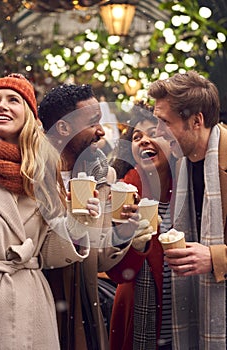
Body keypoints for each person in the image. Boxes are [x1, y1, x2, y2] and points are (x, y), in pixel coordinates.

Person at [0, 73, 100, 349]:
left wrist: (78, 221)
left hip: (32, 303)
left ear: (28, 115)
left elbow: (49, 253)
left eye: (13, 100)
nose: (1, 105)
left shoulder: (41, 173)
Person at [38, 83, 147, 350]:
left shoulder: (103, 175)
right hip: (41, 298)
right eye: (93, 123)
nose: (101, 132)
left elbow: (98, 258)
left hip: (84, 307)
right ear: (63, 128)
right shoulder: (30, 173)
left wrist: (124, 231)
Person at [148, 70, 227, 350]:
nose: (156, 132)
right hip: (194, 313)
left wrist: (215, 258)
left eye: (164, 122)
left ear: (196, 121)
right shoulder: (179, 164)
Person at [107, 101, 177, 350]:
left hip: (184, 308)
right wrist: (132, 240)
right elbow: (116, 271)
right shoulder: (122, 193)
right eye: (137, 136)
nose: (144, 140)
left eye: (154, 133)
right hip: (137, 311)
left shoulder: (189, 187)